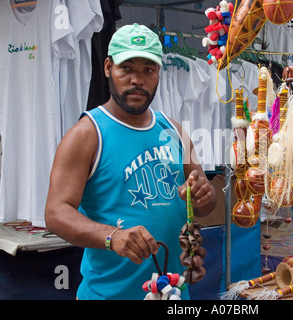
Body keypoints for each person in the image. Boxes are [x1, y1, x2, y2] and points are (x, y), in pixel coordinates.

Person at [45, 23, 217, 300]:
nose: (138, 80)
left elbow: (207, 205)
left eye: (148, 70)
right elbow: (55, 213)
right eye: (127, 68)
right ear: (107, 68)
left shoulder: (173, 130)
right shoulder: (88, 134)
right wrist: (113, 236)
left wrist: (203, 194)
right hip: (109, 295)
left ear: (159, 73)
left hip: (173, 293)